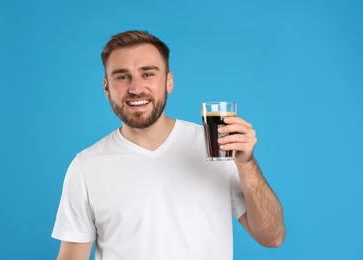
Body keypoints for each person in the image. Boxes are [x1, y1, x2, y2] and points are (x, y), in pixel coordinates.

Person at [52, 30, 285, 260]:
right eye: (122, 76)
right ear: (106, 88)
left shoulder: (217, 149)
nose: (135, 88)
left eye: (148, 74)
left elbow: (272, 237)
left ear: (169, 82)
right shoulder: (86, 166)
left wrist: (246, 164)